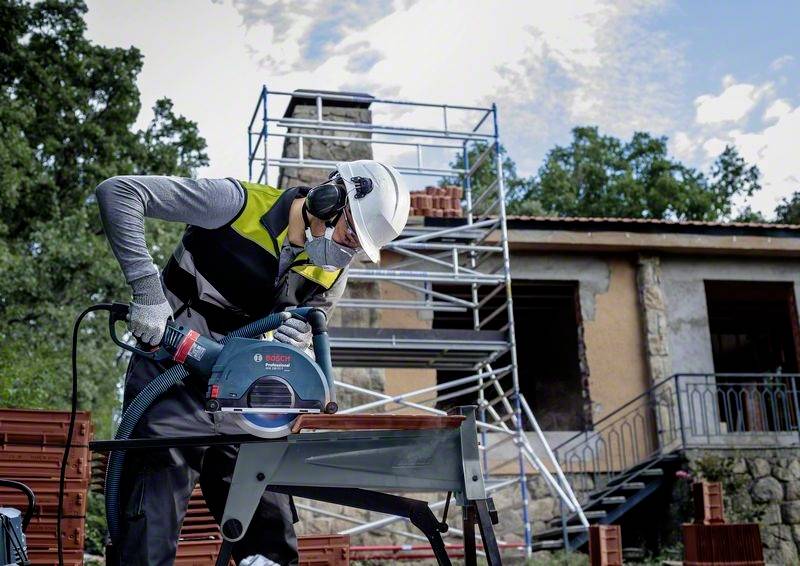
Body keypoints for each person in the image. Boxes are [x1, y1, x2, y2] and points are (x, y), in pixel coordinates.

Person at [96, 160, 410, 565]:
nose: (347, 253)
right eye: (350, 233)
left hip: (243, 388)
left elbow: (311, 328)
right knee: (151, 515)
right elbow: (119, 192)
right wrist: (147, 290)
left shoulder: (333, 271)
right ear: (329, 197)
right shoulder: (235, 204)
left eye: (358, 248)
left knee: (268, 520)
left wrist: (299, 347)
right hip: (169, 368)